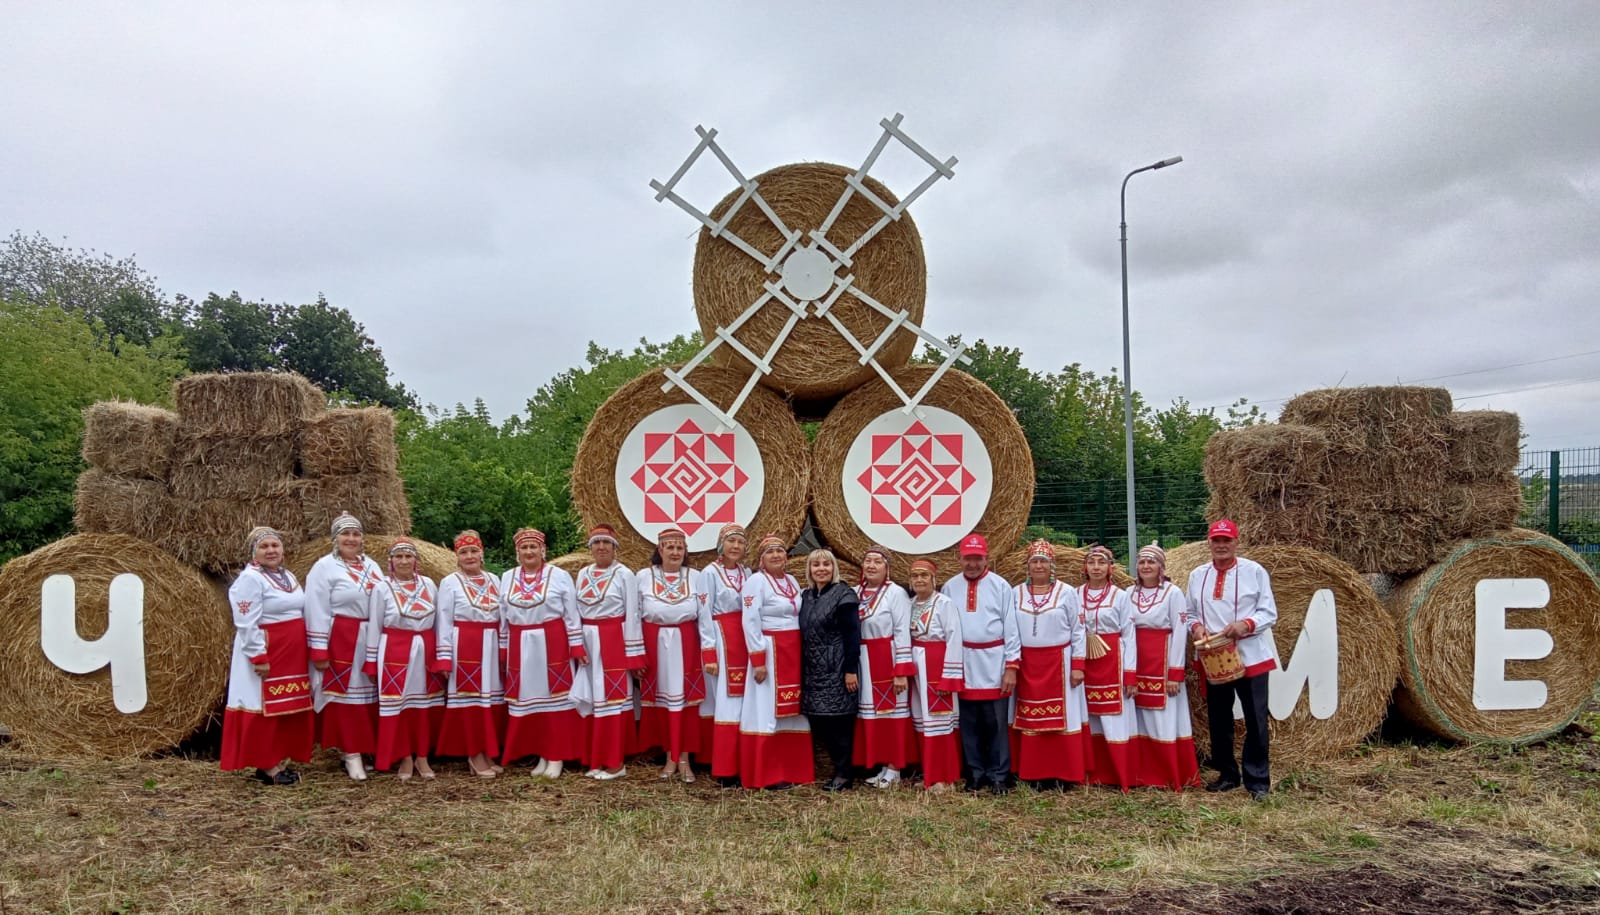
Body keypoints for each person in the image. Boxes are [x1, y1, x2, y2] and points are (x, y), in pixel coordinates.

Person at [1184, 519, 1279, 800]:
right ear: (1209, 543)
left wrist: (1246, 624)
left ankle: (1258, 781)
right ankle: (1227, 774)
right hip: (1215, 658)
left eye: (1227, 540)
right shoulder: (1197, 575)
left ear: (1237, 542)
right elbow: (1189, 613)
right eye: (1216, 540)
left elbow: (1269, 612)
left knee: (1255, 718)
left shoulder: (1254, 571)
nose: (1221, 545)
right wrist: (1197, 627)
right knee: (1219, 719)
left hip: (1251, 657)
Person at [221, 527, 314, 785]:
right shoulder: (250, 579)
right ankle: (267, 766)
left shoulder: (287, 576)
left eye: (275, 545)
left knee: (284, 707)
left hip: (290, 653)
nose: (271, 550)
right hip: (267, 651)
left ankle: (278, 759)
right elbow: (245, 621)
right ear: (254, 552)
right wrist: (257, 656)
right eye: (264, 547)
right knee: (263, 708)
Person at [498, 527, 583, 779]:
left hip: (552, 641)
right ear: (517, 553)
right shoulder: (507, 577)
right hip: (520, 646)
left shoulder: (559, 576)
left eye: (533, 547)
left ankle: (556, 756)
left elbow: (571, 613)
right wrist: (503, 650)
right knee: (530, 701)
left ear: (543, 550)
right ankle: (542, 754)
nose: (529, 552)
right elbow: (502, 617)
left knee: (555, 699)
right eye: (524, 548)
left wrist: (576, 645)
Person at [303, 512, 382, 781]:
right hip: (342, 636)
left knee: (369, 697)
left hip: (370, 636)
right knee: (346, 699)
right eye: (345, 534)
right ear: (335, 539)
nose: (351, 539)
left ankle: (366, 748)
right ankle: (351, 754)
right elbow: (316, 608)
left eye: (356, 534)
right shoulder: (323, 567)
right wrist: (319, 649)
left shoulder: (372, 566)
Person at [940, 534, 1020, 794]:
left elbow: (1012, 628)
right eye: (968, 558)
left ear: (987, 558)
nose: (972, 564)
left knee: (996, 723)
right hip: (963, 662)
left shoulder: (1001, 586)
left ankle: (999, 775)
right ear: (959, 559)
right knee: (969, 722)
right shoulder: (950, 587)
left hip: (994, 661)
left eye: (978, 559)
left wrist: (1011, 666)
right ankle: (975, 773)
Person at [1009, 540, 1089, 790]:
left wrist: (1078, 664)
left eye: (1044, 561)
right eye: (1034, 561)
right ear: (1028, 566)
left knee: (1064, 718)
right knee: (1029, 719)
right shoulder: (1015, 593)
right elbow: (1010, 631)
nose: (1039, 565)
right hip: (1028, 664)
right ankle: (1033, 774)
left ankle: (1063, 774)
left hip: (1060, 663)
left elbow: (1078, 630)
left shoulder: (1067, 592)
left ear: (1052, 565)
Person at [737, 534, 814, 790]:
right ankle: (766, 774)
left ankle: (793, 769)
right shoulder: (755, 582)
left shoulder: (791, 581)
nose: (776, 556)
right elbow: (750, 621)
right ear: (761, 559)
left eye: (780, 551)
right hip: (770, 652)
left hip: (792, 651)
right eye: (770, 552)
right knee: (766, 710)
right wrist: (758, 659)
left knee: (793, 713)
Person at [364, 537, 445, 780]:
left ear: (416, 560)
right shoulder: (382, 588)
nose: (403, 561)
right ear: (390, 561)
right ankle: (404, 757)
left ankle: (422, 756)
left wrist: (441, 656)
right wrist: (371, 660)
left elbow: (439, 622)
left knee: (423, 706)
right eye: (398, 556)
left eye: (408, 556)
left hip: (425, 650)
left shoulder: (429, 584)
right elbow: (374, 625)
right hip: (395, 651)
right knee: (399, 705)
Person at [571, 524, 644, 780]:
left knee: (612, 701)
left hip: (614, 640)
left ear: (615, 548)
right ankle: (596, 759)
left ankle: (615, 763)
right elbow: (575, 615)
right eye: (596, 543)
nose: (601, 547)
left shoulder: (625, 574)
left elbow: (633, 614)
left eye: (606, 543)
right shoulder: (582, 574)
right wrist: (577, 644)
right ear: (590, 548)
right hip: (590, 643)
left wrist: (634, 655)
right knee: (593, 699)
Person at [1128, 542, 1203, 790]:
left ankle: (1167, 774)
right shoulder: (1129, 594)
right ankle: (1142, 774)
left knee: (1163, 718)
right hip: (1136, 664)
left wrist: (1175, 673)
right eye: (1142, 562)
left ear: (1161, 567)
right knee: (1138, 719)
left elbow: (1181, 632)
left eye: (1151, 562)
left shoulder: (1173, 593)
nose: (1146, 566)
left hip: (1163, 663)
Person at [636, 526, 705, 783]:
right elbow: (634, 615)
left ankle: (685, 760)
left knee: (686, 702)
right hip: (655, 645)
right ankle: (669, 757)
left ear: (685, 551)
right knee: (663, 702)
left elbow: (705, 615)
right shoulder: (643, 576)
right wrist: (636, 653)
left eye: (679, 547)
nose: (675, 552)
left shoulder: (696, 576)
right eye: (670, 547)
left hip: (687, 642)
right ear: (660, 550)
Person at [436, 530, 505, 777]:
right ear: (457, 556)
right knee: (471, 701)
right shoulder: (450, 582)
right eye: (464, 552)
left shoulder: (495, 580)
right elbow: (443, 620)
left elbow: (503, 617)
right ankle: (474, 754)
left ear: (482, 553)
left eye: (474, 551)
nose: (469, 556)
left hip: (491, 643)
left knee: (490, 700)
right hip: (465, 643)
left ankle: (488, 750)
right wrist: (443, 656)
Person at [799, 549, 862, 792]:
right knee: (820, 720)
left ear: (834, 568)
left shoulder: (844, 595)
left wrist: (850, 670)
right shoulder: (806, 596)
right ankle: (838, 769)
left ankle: (844, 774)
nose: (821, 569)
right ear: (810, 570)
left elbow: (853, 635)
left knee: (839, 721)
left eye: (826, 564)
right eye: (816, 565)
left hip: (836, 667)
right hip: (812, 669)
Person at [852, 545, 914, 789]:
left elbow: (902, 631)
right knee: (873, 714)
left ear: (887, 567)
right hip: (864, 658)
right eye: (868, 560)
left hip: (886, 656)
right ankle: (881, 766)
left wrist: (901, 671)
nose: (871, 565)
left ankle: (895, 767)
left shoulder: (895, 593)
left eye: (878, 561)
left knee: (892, 715)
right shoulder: (856, 592)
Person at [696, 523, 750, 787]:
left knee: (740, 700)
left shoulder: (747, 573)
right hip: (721, 638)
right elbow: (703, 613)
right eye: (731, 542)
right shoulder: (709, 573)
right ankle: (724, 767)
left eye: (740, 542)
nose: (736, 547)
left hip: (743, 639)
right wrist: (709, 652)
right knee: (725, 699)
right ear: (721, 545)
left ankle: (740, 759)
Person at [1079, 543, 1136, 790]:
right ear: (1085, 567)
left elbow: (1130, 634)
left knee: (1114, 718)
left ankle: (1118, 775)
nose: (1096, 567)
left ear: (1110, 567)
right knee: (1088, 717)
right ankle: (1091, 774)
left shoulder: (1121, 596)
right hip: (1084, 661)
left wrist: (1130, 674)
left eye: (1101, 563)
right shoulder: (1074, 594)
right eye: (1092, 563)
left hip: (1113, 658)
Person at [906, 558, 963, 792]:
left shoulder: (944, 603)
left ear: (933, 579)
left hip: (936, 664)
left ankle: (945, 777)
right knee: (922, 721)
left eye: (924, 576)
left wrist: (948, 676)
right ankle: (929, 773)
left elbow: (954, 638)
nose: (920, 580)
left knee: (939, 722)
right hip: (916, 665)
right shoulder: (909, 603)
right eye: (915, 576)